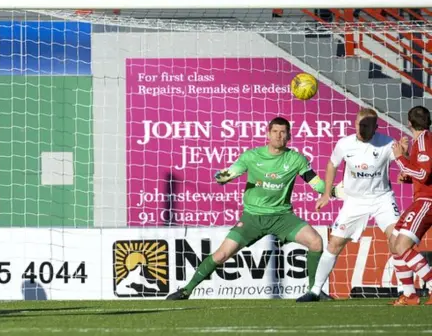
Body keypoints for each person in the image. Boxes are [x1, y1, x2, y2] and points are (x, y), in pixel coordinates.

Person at [166, 117, 338, 300]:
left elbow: (317, 184)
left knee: (316, 242)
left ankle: (314, 292)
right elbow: (232, 170)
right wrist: (223, 176)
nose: (279, 136)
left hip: (282, 217)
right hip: (252, 218)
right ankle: (186, 290)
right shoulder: (251, 156)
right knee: (221, 255)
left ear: (289, 135)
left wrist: (337, 191)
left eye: (283, 132)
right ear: (267, 134)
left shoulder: (296, 159)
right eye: (275, 132)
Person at [296, 108, 404, 302]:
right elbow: (331, 165)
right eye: (358, 125)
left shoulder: (387, 143)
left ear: (375, 128)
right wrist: (327, 193)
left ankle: (407, 291)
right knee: (334, 243)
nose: (361, 129)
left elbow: (403, 164)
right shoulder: (344, 144)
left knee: (397, 240)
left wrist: (404, 158)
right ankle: (315, 291)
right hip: (355, 201)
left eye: (366, 126)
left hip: (382, 199)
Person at [391, 105, 432, 306]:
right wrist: (408, 173)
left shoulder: (424, 139)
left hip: (427, 201)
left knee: (402, 245)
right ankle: (409, 294)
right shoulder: (421, 141)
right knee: (394, 242)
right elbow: (423, 173)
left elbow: (424, 174)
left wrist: (400, 158)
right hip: (422, 199)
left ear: (409, 123)